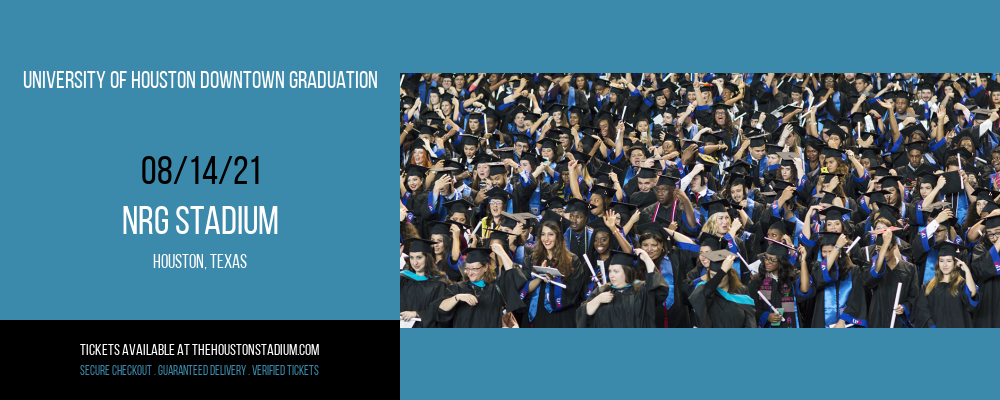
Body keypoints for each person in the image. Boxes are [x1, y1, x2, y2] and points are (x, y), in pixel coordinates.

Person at [518, 220, 590, 328]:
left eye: (550, 234)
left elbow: (574, 291)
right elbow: (523, 286)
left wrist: (554, 280)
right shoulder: (532, 259)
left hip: (561, 317)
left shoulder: (572, 261)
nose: (546, 239)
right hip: (535, 314)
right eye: (543, 234)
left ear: (558, 236)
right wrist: (540, 276)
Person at [438, 244, 528, 328]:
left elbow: (513, 276)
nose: (470, 272)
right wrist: (457, 297)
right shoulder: (458, 287)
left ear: (485, 268)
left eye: (474, 268)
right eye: (467, 268)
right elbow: (441, 309)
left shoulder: (497, 287)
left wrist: (502, 253)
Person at [576, 249, 670, 328]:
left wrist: (646, 259)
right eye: (610, 271)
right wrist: (598, 300)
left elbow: (660, 290)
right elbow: (582, 314)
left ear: (627, 272)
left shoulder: (642, 290)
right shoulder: (601, 291)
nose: (611, 275)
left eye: (616, 271)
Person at [747, 240, 814, 328]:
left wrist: (803, 261)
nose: (767, 262)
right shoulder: (757, 280)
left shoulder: (792, 277)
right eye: (766, 258)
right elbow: (750, 308)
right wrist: (766, 316)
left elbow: (805, 289)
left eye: (772, 260)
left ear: (781, 262)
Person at [808, 232, 868, 328]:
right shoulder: (816, 268)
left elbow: (856, 298)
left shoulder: (853, 270)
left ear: (840, 251)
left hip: (846, 324)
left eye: (830, 251)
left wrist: (842, 321)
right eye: (824, 251)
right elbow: (819, 280)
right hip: (822, 322)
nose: (827, 255)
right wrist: (837, 247)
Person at [688, 250, 756, 328]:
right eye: (713, 275)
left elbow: (750, 322)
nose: (719, 279)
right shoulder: (704, 291)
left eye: (722, 275)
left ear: (729, 274)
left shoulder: (742, 291)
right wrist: (722, 271)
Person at [923, 242, 979, 328]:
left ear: (955, 262)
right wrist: (931, 326)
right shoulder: (928, 286)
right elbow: (923, 309)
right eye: (941, 261)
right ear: (938, 263)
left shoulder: (961, 284)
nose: (944, 264)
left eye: (949, 261)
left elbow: (972, 293)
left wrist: (966, 270)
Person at [400, 238, 450, 328]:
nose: (415, 262)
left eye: (419, 257)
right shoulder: (403, 279)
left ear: (427, 258)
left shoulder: (438, 283)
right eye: (411, 257)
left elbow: (440, 310)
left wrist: (417, 313)